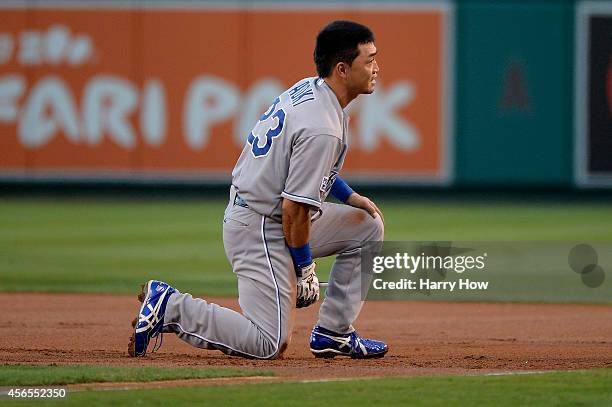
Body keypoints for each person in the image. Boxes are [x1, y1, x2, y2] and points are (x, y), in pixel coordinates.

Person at [128, 20, 387, 360]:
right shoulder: (322, 125)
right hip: (259, 227)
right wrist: (305, 269)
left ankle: (333, 333)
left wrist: (348, 195)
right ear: (342, 69)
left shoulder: (313, 92)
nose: (376, 68)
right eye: (368, 60)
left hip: (271, 216)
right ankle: (171, 306)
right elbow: (294, 210)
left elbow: (300, 169)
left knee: (367, 226)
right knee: (269, 343)